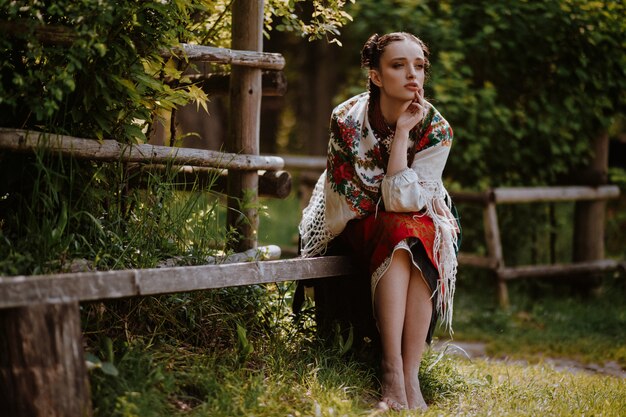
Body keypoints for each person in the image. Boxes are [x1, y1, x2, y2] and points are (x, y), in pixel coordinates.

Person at [298, 32, 460, 411]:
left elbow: (408, 201)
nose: (412, 75)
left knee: (412, 233)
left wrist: (403, 133)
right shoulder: (346, 120)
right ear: (375, 75)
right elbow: (351, 196)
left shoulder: (436, 129)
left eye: (419, 66)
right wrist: (394, 199)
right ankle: (390, 370)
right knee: (403, 227)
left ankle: (407, 374)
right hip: (351, 220)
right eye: (398, 65)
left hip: (408, 224)